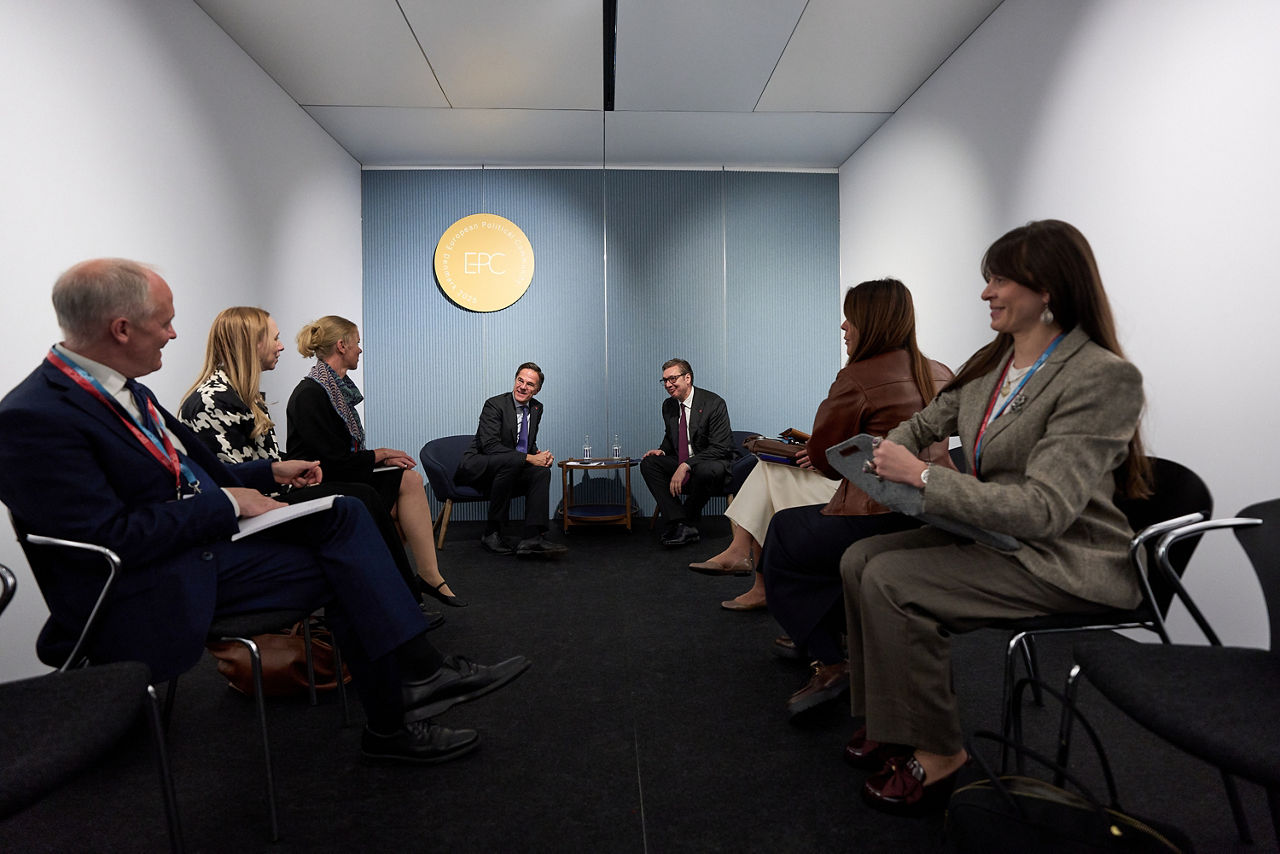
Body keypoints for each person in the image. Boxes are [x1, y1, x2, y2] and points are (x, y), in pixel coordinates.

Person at [0, 259, 530, 765]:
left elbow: (199, 469)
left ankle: (413, 686)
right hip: (144, 585)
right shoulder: (33, 418)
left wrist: (268, 474)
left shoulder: (124, 391)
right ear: (120, 329)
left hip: (195, 550)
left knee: (344, 516)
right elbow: (110, 540)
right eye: (164, 323)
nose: (174, 335)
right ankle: (402, 703)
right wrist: (228, 502)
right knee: (347, 555)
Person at [841, 220, 1151, 815]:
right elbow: (928, 423)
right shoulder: (999, 369)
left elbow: (1045, 510)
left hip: (1060, 557)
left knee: (894, 582)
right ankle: (893, 719)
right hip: (997, 534)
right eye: (988, 279)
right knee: (859, 559)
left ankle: (939, 752)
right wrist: (890, 452)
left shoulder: (1103, 378)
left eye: (1001, 279)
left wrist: (925, 476)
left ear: (1048, 290)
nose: (987, 292)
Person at [721, 281, 954, 725]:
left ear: (872, 321)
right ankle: (817, 631)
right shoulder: (939, 371)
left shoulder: (858, 376)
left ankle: (829, 657)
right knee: (807, 531)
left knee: (784, 537)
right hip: (933, 516)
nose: (843, 325)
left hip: (879, 515)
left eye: (850, 316)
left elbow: (829, 458)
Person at [179, 307, 443, 623]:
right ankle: (398, 607)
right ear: (252, 343)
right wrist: (280, 477)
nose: (281, 346)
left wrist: (285, 472)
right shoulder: (214, 399)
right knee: (358, 500)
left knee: (368, 494)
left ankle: (398, 605)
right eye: (275, 338)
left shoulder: (243, 395)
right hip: (249, 519)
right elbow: (231, 486)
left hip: (271, 498)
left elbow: (260, 466)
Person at [285, 315, 464, 606]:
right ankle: (394, 593)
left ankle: (427, 576)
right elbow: (331, 462)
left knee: (409, 478)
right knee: (396, 508)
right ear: (342, 345)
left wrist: (380, 458)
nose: (360, 349)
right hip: (318, 484)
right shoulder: (311, 394)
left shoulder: (334, 391)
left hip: (338, 475)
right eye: (357, 342)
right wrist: (379, 455)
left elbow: (342, 456)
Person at [456, 363, 567, 557]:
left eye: (530, 384)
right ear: (515, 380)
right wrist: (529, 458)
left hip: (509, 468)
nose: (523, 387)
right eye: (520, 380)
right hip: (480, 465)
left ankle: (532, 537)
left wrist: (540, 456)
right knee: (513, 462)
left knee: (541, 472)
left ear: (537, 389)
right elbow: (490, 446)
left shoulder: (536, 408)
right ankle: (492, 532)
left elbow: (525, 442)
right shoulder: (494, 404)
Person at [640, 359, 735, 547]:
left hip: (711, 462)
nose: (668, 384)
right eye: (664, 380)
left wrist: (686, 465)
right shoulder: (669, 406)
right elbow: (671, 437)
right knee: (648, 463)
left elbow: (720, 448)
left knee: (706, 470)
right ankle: (679, 522)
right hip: (684, 462)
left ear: (688, 378)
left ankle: (687, 521)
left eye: (672, 378)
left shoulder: (714, 403)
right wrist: (662, 450)